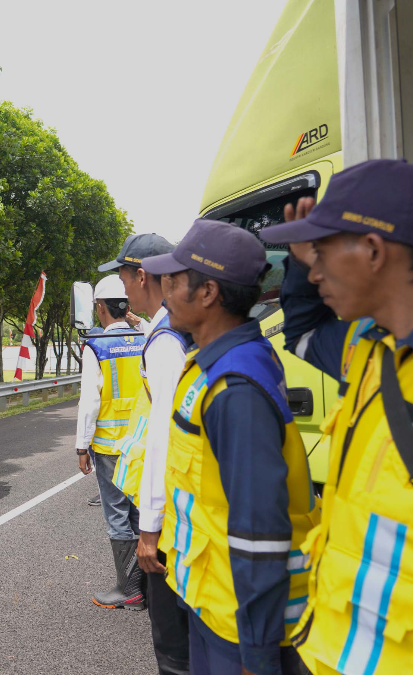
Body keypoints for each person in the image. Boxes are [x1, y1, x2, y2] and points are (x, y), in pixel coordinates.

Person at [141, 219, 317, 675]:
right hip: (211, 598)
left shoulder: (235, 387)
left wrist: (257, 656)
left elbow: (259, 533)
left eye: (174, 281)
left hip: (238, 625)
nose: (164, 292)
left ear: (208, 293)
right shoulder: (211, 362)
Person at [258, 159, 413, 675]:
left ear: (372, 251)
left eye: (322, 255)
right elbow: (302, 329)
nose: (313, 271)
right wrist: (303, 262)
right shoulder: (368, 349)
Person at [102, 233, 191, 674]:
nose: (120, 287)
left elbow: (164, 434)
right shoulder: (166, 328)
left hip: (170, 510)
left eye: (121, 275)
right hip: (173, 503)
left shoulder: (166, 341)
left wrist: (151, 527)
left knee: (173, 642)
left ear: (141, 275)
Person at [75, 274, 147, 609]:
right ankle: (145, 584)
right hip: (141, 443)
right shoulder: (146, 337)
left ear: (100, 308)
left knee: (117, 514)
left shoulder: (97, 346)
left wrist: (81, 445)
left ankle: (128, 589)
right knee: (139, 511)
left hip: (108, 447)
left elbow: (90, 401)